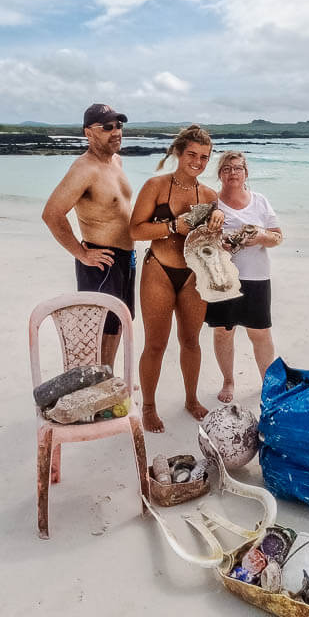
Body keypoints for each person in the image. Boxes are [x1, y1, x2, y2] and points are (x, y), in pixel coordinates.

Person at [130, 125, 224, 432]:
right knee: (155, 344)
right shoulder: (155, 186)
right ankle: (148, 405)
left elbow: (210, 242)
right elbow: (135, 230)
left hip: (193, 274)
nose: (198, 162)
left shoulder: (210, 195)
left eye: (205, 157)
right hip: (159, 269)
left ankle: (191, 399)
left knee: (191, 342)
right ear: (178, 153)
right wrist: (171, 226)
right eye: (192, 155)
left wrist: (218, 223)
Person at [40, 103, 136, 368]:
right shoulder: (84, 169)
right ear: (88, 133)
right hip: (101, 259)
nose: (116, 131)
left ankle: (107, 375)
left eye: (119, 125)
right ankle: (98, 383)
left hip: (125, 258)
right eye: (107, 127)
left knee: (118, 323)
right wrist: (81, 253)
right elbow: (52, 214)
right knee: (100, 327)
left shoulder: (116, 160)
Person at [205, 151, 284, 402]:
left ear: (246, 173)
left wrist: (260, 237)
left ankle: (267, 383)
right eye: (226, 169)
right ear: (219, 174)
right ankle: (228, 382)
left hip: (257, 277)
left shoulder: (260, 201)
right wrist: (219, 244)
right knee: (223, 332)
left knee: (260, 332)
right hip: (221, 278)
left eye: (237, 168)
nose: (232, 173)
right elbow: (200, 242)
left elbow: (278, 236)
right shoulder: (211, 203)